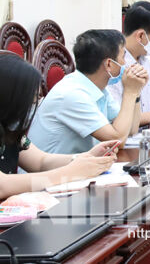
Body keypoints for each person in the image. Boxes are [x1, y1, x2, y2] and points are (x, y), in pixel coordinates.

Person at [0, 55, 119, 200]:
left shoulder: (9, 127)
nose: (30, 108)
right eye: (30, 101)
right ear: (10, 98)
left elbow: (41, 162)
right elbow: (2, 186)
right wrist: (71, 172)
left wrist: (86, 158)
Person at [29, 29, 147, 154]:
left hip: (81, 163)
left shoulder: (99, 88)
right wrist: (130, 92)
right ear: (109, 64)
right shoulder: (73, 94)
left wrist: (136, 92)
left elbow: (131, 130)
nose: (126, 63)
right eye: (123, 57)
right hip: (56, 166)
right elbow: (118, 140)